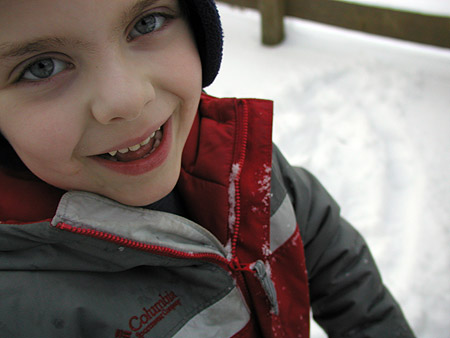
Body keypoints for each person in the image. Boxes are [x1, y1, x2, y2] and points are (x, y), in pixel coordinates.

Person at [0, 0, 415, 337]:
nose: (127, 100)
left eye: (147, 22)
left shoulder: (236, 157)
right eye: (43, 67)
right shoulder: (18, 308)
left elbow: (330, 252)